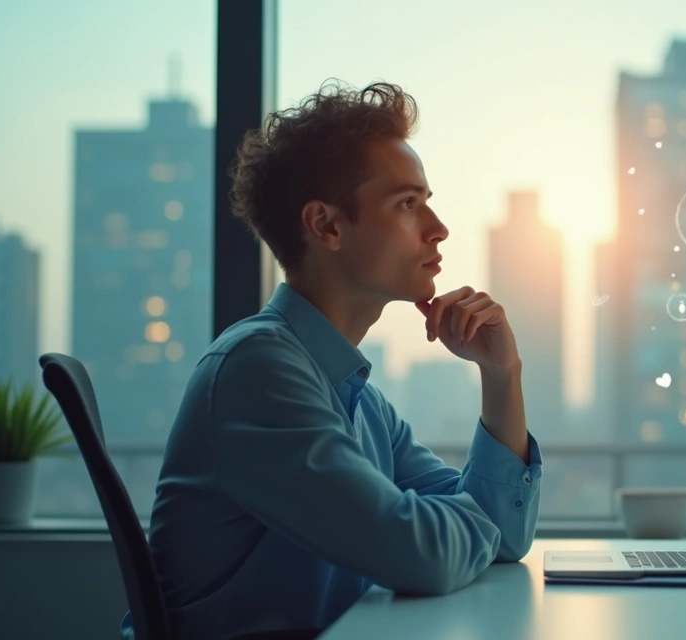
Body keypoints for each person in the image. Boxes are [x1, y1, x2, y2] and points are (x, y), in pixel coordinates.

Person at [120, 80, 543, 640]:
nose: (439, 229)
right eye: (408, 203)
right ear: (326, 226)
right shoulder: (258, 371)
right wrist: (470, 520)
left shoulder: (357, 396)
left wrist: (501, 374)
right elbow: (423, 555)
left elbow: (506, 538)